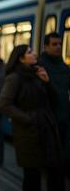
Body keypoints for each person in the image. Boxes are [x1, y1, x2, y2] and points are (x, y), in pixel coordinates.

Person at [0, 45, 64, 191]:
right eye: (30, 52)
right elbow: (4, 104)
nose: (34, 54)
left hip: (46, 130)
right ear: (21, 59)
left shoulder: (37, 73)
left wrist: (47, 82)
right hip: (29, 134)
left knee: (55, 171)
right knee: (32, 176)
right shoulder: (14, 78)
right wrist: (29, 119)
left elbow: (54, 101)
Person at [38, 32, 70, 177]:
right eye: (54, 44)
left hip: (63, 116)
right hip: (48, 118)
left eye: (59, 44)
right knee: (51, 160)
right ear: (46, 47)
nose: (58, 47)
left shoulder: (64, 67)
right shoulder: (40, 67)